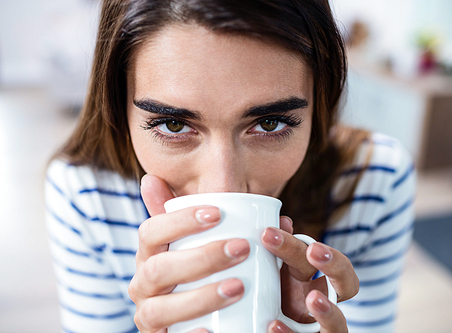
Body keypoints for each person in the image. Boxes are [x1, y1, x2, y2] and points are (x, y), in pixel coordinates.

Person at [44, 0, 415, 332]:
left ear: (320, 105)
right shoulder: (84, 194)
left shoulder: (374, 181)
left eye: (270, 123)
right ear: (118, 109)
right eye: (174, 124)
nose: (223, 187)